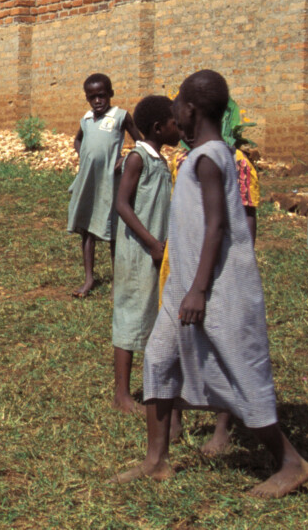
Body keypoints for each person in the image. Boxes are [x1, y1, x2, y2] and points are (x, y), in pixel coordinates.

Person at [117, 70, 308, 499]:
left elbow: (217, 226)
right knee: (158, 359)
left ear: (189, 110)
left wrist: (200, 290)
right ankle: (156, 460)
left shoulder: (210, 158)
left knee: (241, 373)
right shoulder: (203, 155)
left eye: (177, 109)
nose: (175, 117)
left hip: (214, 290)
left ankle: (290, 462)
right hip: (183, 287)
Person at [110, 95, 179, 414]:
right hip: (137, 253)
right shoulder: (138, 158)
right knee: (130, 315)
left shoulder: (160, 159)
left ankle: (154, 384)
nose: (179, 128)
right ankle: (122, 394)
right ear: (158, 127)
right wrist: (151, 243)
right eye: (174, 123)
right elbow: (122, 205)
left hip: (154, 252)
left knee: (150, 312)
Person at [69, 73, 140, 298]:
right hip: (89, 181)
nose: (97, 101)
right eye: (92, 97)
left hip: (111, 182)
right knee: (87, 230)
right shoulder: (87, 119)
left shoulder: (120, 116)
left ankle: (117, 280)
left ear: (110, 94)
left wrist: (126, 159)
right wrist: (84, 157)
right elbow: (77, 139)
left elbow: (141, 141)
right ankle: (89, 278)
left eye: (101, 96)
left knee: (113, 231)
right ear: (87, 99)